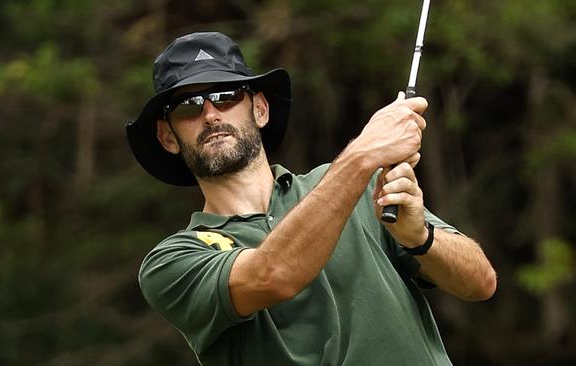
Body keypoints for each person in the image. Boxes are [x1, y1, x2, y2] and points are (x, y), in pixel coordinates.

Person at [127, 31, 497, 366]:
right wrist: (363, 153)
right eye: (189, 106)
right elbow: (274, 275)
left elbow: (481, 282)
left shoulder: (357, 185)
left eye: (226, 96)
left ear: (259, 109)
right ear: (167, 136)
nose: (210, 114)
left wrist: (420, 239)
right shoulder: (173, 260)